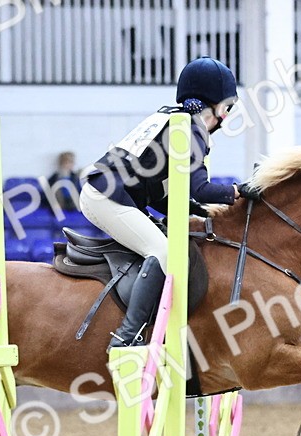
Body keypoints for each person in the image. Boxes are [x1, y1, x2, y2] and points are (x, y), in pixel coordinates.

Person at [81, 56, 240, 347]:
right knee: (163, 252)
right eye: (227, 108)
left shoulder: (173, 118)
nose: (226, 116)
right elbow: (200, 188)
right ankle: (126, 338)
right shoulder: (192, 130)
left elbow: (167, 193)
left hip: (111, 192)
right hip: (107, 196)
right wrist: (236, 193)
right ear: (215, 104)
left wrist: (199, 212)